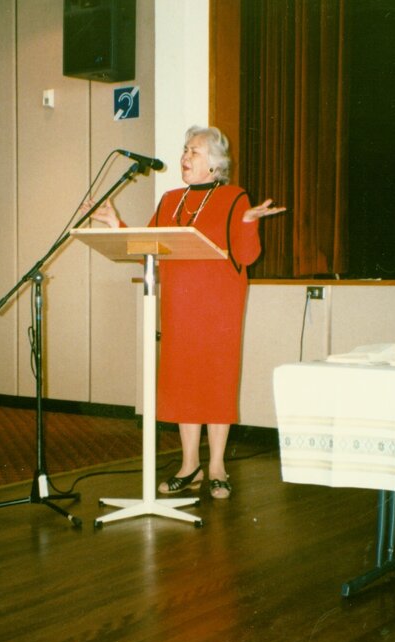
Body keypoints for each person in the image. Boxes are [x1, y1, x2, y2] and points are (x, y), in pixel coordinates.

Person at [84, 125, 285, 499]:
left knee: (216, 382)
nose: (184, 157)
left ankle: (218, 466)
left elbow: (245, 256)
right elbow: (149, 249)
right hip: (179, 308)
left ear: (214, 164)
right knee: (183, 383)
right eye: (185, 150)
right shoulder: (170, 199)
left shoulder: (234, 197)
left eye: (193, 152)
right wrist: (117, 224)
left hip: (219, 309)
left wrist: (248, 222)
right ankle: (189, 465)